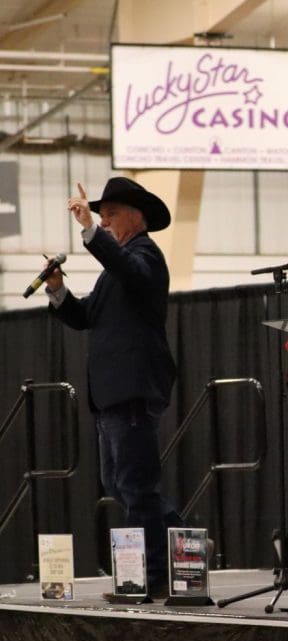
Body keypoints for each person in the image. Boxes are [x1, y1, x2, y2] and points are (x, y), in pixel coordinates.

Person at [46, 177, 183, 600]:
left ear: (136, 218)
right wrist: (57, 289)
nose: (104, 222)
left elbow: (126, 268)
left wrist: (89, 230)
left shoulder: (145, 257)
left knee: (135, 484)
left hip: (132, 389)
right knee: (121, 483)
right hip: (111, 394)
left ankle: (153, 576)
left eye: (110, 215)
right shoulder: (116, 272)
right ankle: (182, 546)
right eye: (101, 217)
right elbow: (85, 315)